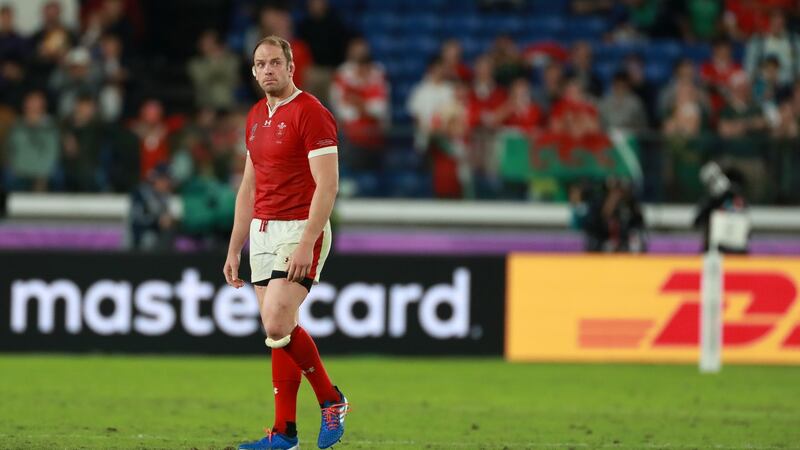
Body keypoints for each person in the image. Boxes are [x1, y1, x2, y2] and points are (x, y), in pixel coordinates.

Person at [223, 36, 349, 450]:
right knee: (279, 331)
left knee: (276, 320)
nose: (268, 70)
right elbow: (248, 185)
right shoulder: (256, 116)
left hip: (300, 226)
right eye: (261, 64)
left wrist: (306, 242)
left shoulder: (312, 113)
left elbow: (327, 186)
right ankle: (285, 433)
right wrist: (234, 246)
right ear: (253, 71)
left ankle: (331, 400)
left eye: (276, 62)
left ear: (292, 67)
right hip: (262, 230)